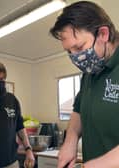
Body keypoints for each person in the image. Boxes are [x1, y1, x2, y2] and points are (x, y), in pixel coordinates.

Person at [50, 1, 119, 168]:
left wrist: (92, 166)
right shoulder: (90, 72)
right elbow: (79, 109)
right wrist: (70, 140)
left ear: (103, 34)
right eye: (69, 51)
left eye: (79, 47)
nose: (75, 57)